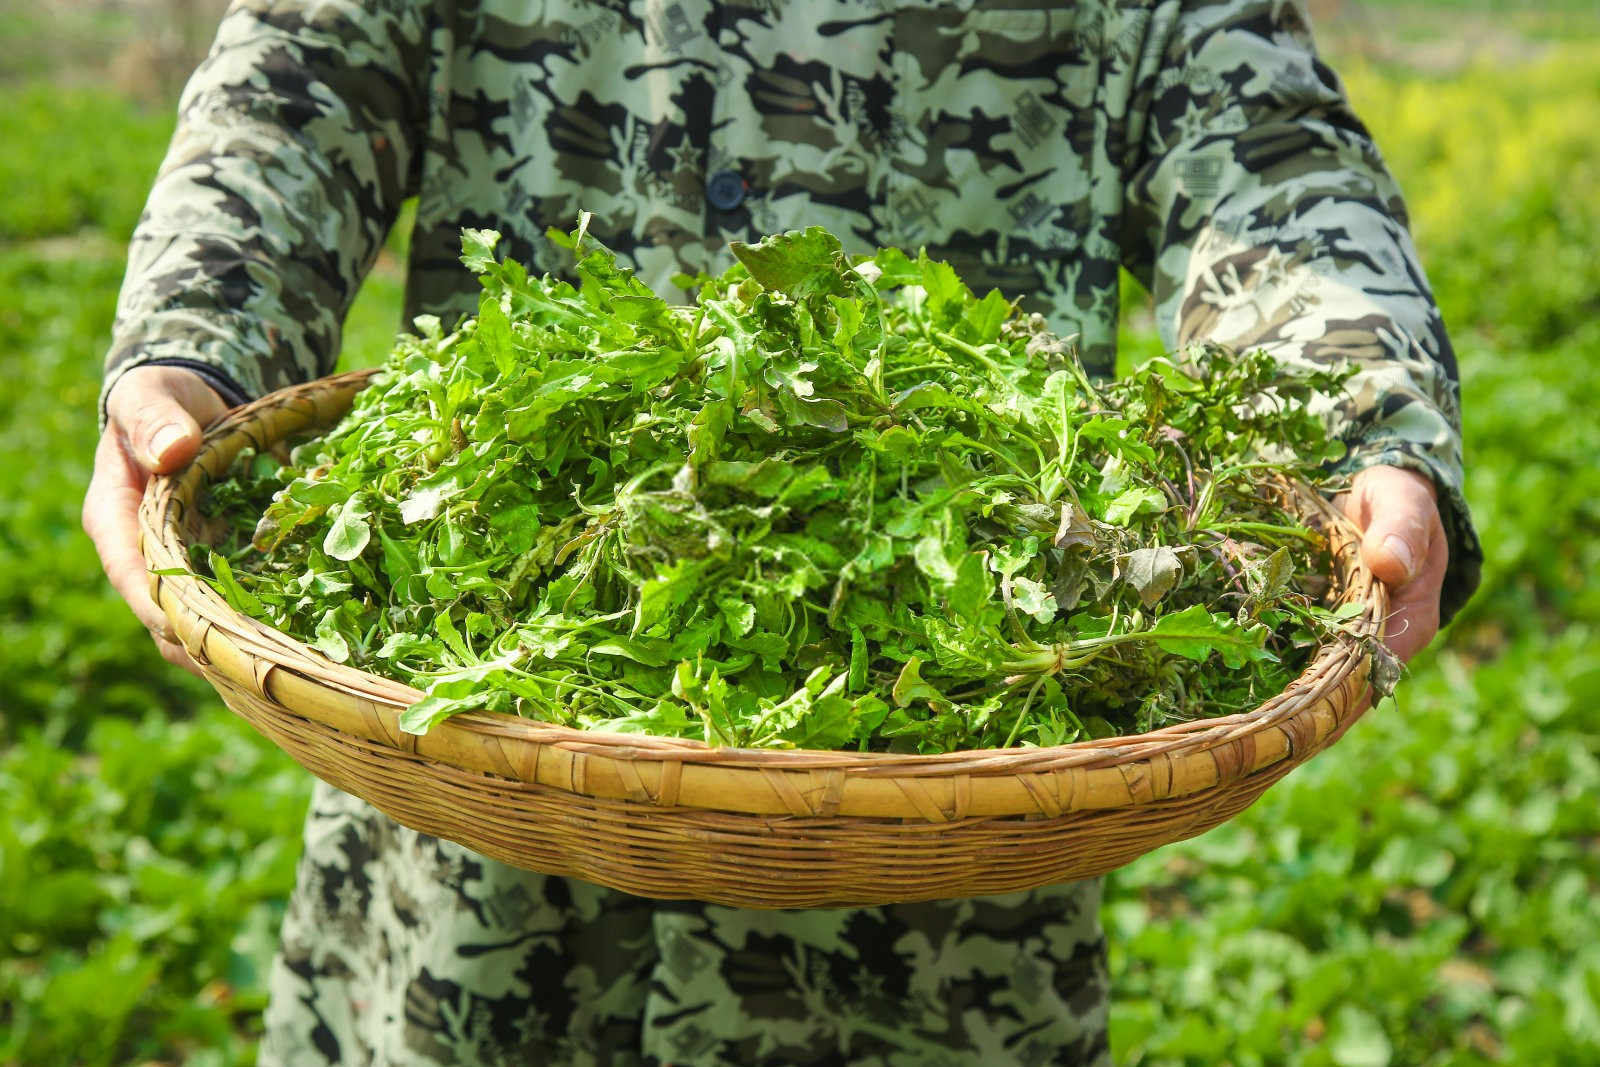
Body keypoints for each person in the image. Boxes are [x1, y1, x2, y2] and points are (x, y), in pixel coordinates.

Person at [84, 1, 1481, 1062]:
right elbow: (294, 93)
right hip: (471, 837)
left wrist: (1364, 433)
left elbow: (1276, 173)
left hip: (950, 870)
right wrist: (192, 354)